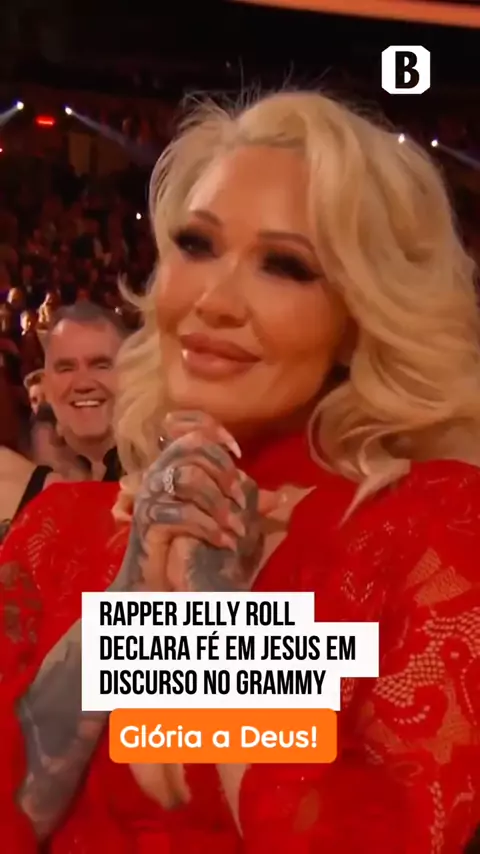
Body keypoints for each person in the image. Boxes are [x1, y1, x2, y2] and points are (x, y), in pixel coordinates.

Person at [1, 90, 480, 852]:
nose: (214, 300)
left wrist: (216, 622)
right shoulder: (60, 533)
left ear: (360, 315)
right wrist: (130, 600)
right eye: (197, 246)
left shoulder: (430, 535)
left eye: (284, 266)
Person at [42, 301, 125, 481]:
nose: (83, 383)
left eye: (101, 365)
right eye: (66, 368)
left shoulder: (170, 473)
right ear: (46, 386)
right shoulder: (16, 483)